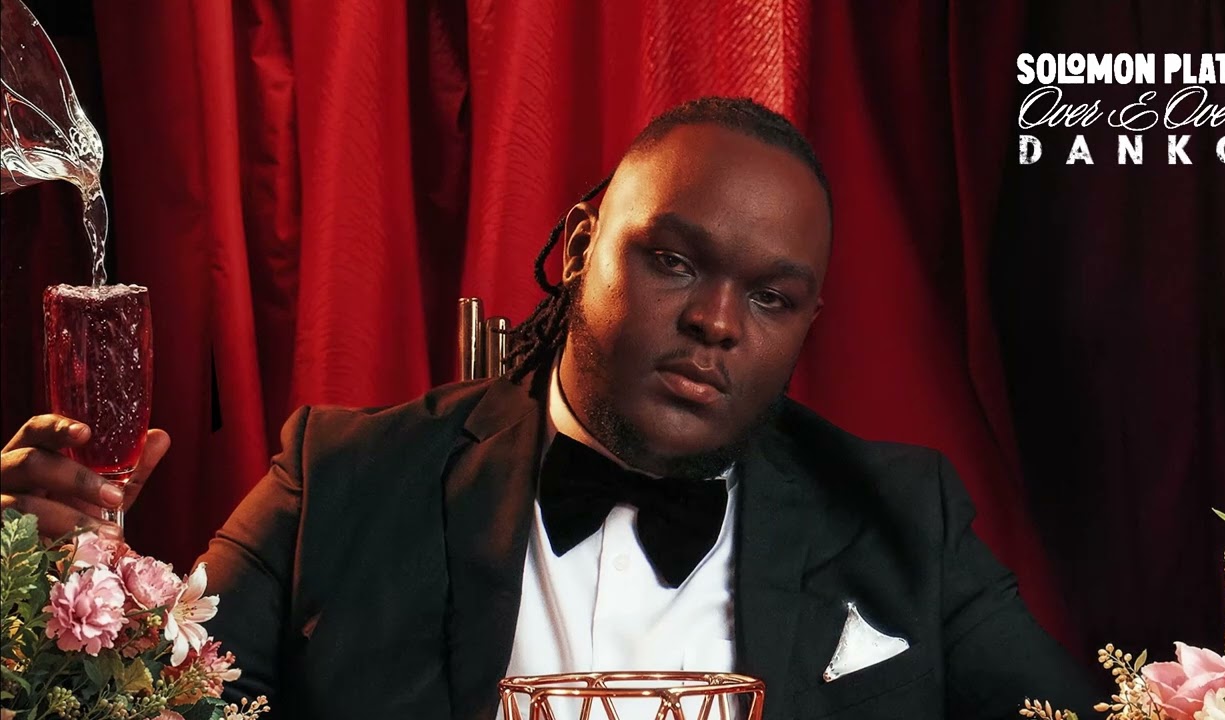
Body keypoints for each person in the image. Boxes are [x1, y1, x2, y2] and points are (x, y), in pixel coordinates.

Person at [1, 98, 1098, 719]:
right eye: (674, 260)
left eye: (771, 298)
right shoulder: (340, 479)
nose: (717, 322)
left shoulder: (904, 517)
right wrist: (41, 589)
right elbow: (161, 706)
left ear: (806, 322)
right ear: (580, 249)